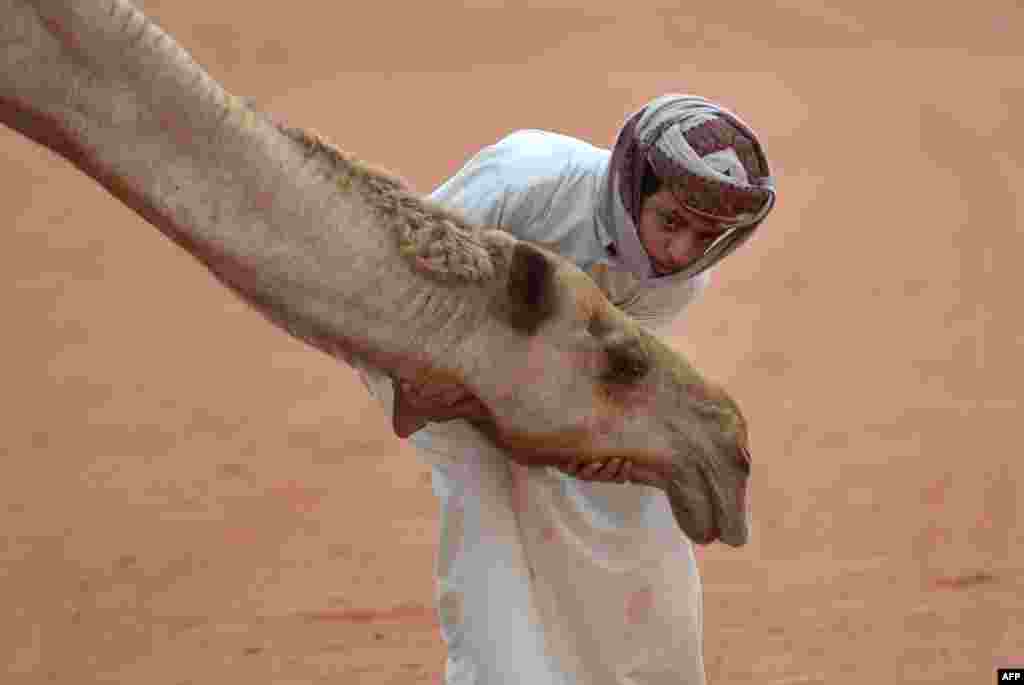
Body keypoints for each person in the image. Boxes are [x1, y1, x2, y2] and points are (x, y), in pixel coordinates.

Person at [355, 94, 775, 684]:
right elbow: (399, 282)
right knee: (491, 526)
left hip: (560, 389)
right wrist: (434, 386)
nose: (679, 251)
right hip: (432, 360)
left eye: (704, 235)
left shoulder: (680, 280)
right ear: (632, 187)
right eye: (671, 221)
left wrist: (602, 448)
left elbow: (610, 373)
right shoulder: (527, 178)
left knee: (635, 514)